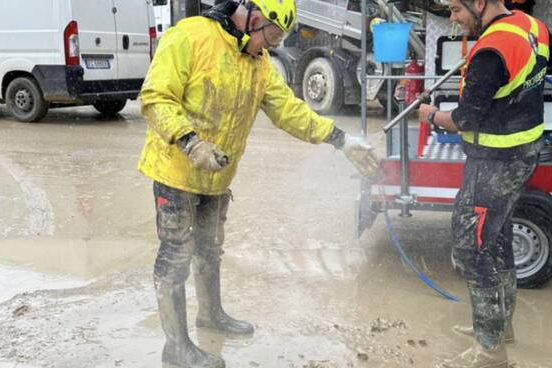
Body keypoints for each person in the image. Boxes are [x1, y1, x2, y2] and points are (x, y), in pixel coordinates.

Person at [137, 0, 379, 367]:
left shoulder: (259, 65)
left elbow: (289, 111)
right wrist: (190, 142)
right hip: (176, 171)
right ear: (254, 18)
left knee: (210, 249)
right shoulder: (189, 37)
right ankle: (176, 346)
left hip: (216, 177)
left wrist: (340, 139)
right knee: (175, 256)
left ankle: (211, 315)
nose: (273, 45)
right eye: (272, 35)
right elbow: (155, 98)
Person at [418, 1, 552, 367]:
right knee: (497, 237)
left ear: (480, 2)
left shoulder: (491, 49)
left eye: (455, 9)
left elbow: (466, 119)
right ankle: (501, 327)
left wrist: (431, 115)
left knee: (471, 247)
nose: (452, 19)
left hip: (495, 161)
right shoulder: (531, 26)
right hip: (525, 152)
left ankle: (490, 352)